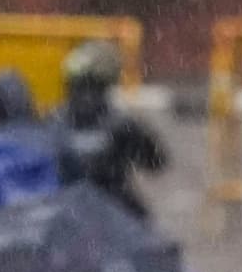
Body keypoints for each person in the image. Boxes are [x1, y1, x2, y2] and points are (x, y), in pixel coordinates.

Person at [55, 41, 167, 215]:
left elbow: (155, 160)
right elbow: (156, 162)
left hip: (67, 214)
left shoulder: (52, 121)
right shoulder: (122, 123)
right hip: (111, 215)